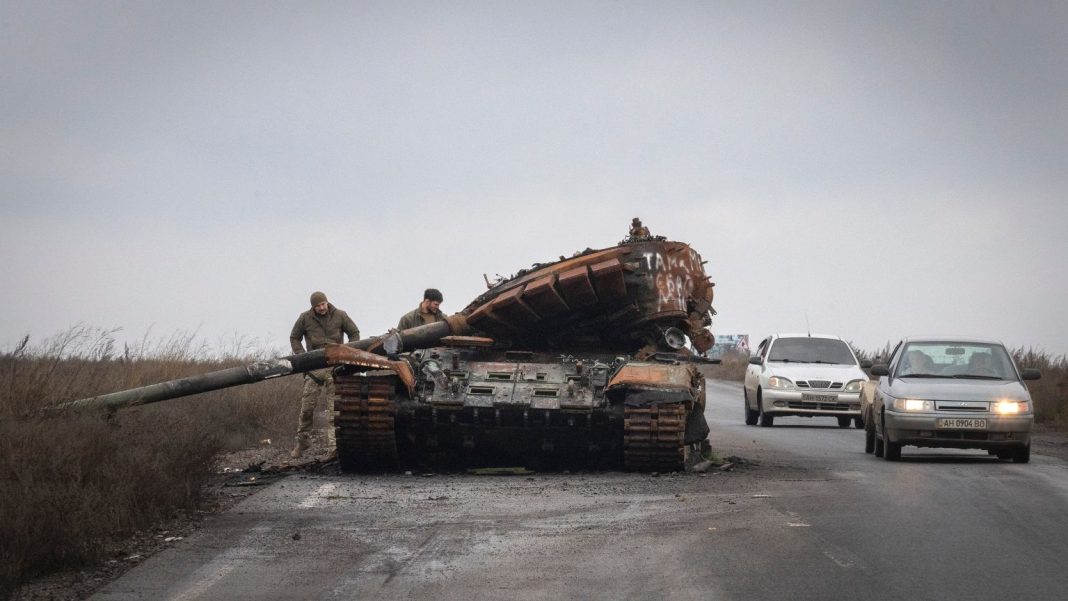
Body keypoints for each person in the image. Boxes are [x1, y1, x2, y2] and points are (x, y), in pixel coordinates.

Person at [289, 291, 360, 459]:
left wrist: (347, 353)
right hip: (313, 367)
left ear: (327, 302)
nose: (321, 308)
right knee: (307, 408)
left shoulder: (340, 315)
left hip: (335, 367)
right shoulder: (304, 318)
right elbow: (294, 337)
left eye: (323, 304)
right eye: (318, 306)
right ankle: (302, 441)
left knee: (333, 410)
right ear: (313, 307)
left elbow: (354, 333)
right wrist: (303, 356)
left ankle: (333, 448)